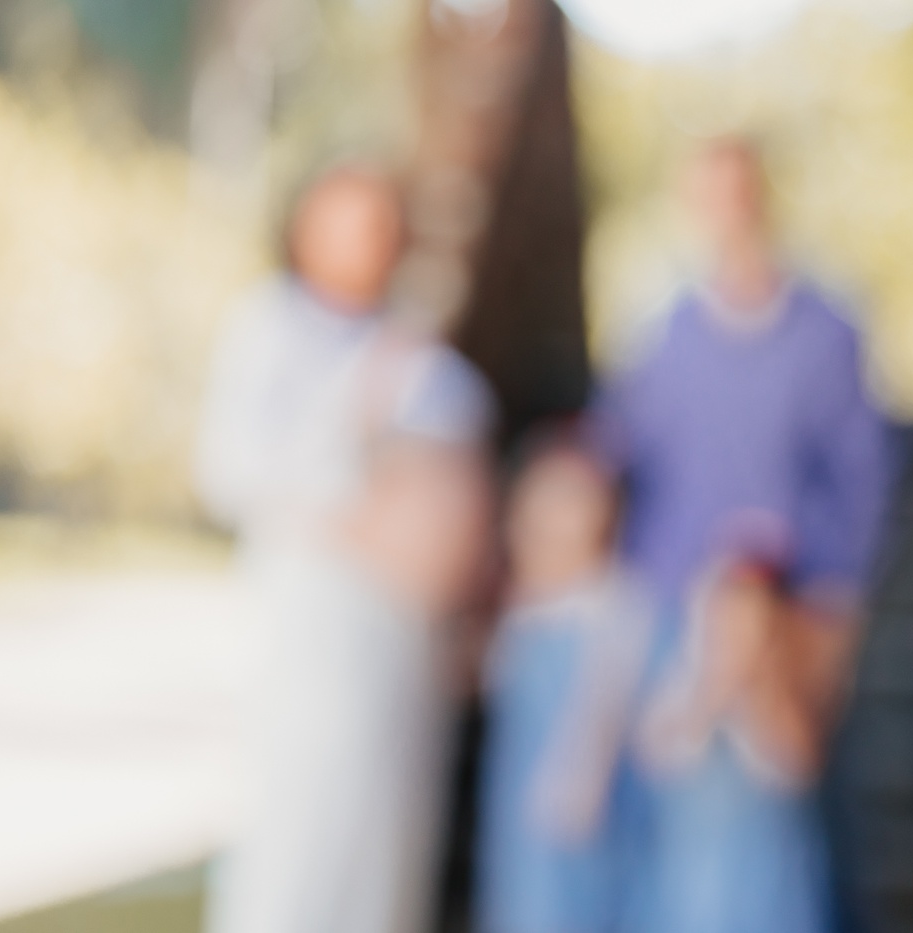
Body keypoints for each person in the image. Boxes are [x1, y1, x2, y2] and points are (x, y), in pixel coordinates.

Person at [590, 138, 891, 933]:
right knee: (676, 812)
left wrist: (836, 605)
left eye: (739, 190)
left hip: (788, 611)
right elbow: (618, 455)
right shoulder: (663, 335)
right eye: (708, 193)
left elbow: (860, 478)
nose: (727, 210)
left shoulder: (827, 331)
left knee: (794, 807)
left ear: (764, 196)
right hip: (676, 606)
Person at [196, 164, 495, 933]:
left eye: (382, 224)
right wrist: (364, 490)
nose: (370, 241)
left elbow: (460, 449)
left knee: (388, 845)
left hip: (404, 643)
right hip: (313, 632)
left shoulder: (421, 352)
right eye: (350, 222)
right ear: (305, 231)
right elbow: (231, 468)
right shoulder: (270, 327)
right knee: (303, 837)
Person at [474, 433, 652, 933]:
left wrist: (583, 775)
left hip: (579, 807)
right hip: (519, 800)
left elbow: (603, 705)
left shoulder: (612, 604)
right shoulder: (521, 609)